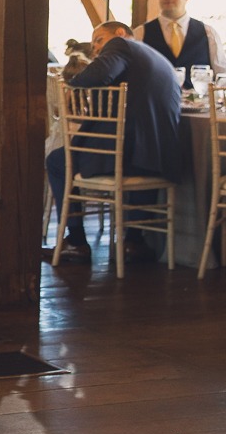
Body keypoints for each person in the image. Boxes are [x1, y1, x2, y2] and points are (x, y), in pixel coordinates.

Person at [47, 21, 182, 263]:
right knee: (131, 150)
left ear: (120, 33)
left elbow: (100, 73)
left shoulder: (122, 45)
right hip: (159, 157)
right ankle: (134, 241)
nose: (96, 49)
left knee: (57, 161)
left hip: (128, 151)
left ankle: (76, 241)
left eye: (99, 40)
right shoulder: (155, 57)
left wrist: (73, 81)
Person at [133, 0, 225, 87]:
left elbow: (222, 74)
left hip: (198, 103)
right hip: (156, 103)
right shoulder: (141, 33)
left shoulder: (208, 33)